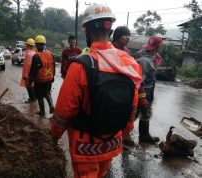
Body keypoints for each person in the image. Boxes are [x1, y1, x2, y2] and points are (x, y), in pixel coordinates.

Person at [49, 3, 142, 177]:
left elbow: (64, 111)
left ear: (87, 31)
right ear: (111, 29)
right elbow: (132, 106)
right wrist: (124, 132)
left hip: (86, 145)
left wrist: (53, 135)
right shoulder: (129, 62)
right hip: (112, 139)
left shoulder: (81, 65)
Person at [135, 35, 163, 143]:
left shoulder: (153, 56)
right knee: (139, 111)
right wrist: (142, 98)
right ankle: (124, 135)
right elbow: (139, 81)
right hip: (143, 89)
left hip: (149, 87)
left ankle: (144, 135)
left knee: (145, 111)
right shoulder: (144, 61)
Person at [112, 26, 135, 146]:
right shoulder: (109, 50)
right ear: (117, 37)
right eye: (125, 35)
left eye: (129, 35)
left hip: (125, 88)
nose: (127, 38)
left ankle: (124, 136)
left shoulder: (127, 52)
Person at [29, 35, 55, 117]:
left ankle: (42, 111)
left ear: (37, 44)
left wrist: (30, 81)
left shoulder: (36, 56)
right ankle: (51, 105)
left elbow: (33, 71)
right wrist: (53, 77)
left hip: (40, 80)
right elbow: (53, 66)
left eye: (36, 44)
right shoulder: (50, 54)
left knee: (39, 95)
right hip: (49, 79)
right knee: (47, 92)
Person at [20, 38, 36, 103]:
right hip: (34, 73)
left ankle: (32, 99)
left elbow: (27, 65)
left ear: (28, 45)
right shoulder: (34, 52)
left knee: (29, 86)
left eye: (26, 44)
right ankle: (34, 98)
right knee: (32, 86)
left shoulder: (28, 54)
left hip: (29, 73)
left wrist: (25, 75)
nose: (26, 45)